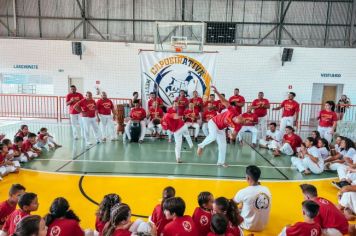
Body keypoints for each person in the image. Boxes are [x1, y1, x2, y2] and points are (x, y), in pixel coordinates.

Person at [197, 86, 244, 167]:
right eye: (237, 118)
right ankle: (201, 146)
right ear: (238, 115)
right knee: (213, 136)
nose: (236, 119)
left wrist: (231, 136)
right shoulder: (233, 111)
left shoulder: (238, 126)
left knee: (223, 145)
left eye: (238, 121)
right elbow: (224, 101)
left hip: (221, 128)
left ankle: (221, 162)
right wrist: (217, 92)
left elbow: (233, 136)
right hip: (213, 122)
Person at [233, 165, 271, 232]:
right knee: (246, 202)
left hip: (246, 225)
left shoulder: (243, 192)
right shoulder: (267, 190)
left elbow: (232, 203)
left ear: (248, 178)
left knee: (231, 208)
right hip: (263, 226)